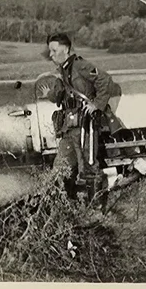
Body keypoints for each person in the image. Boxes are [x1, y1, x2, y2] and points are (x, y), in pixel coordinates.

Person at [46, 32, 114, 197]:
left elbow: (105, 79)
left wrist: (96, 104)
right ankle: (64, 205)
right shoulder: (62, 71)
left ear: (66, 49)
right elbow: (60, 95)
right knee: (61, 167)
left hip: (85, 125)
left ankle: (96, 207)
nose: (51, 55)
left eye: (54, 50)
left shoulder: (79, 65)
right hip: (69, 127)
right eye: (50, 51)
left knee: (89, 166)